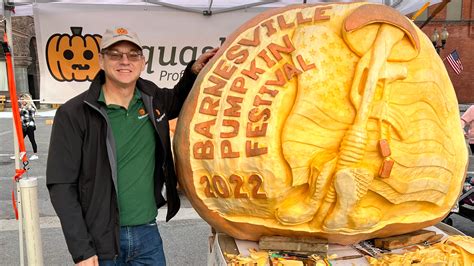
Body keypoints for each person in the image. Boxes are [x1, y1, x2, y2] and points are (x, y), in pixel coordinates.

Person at [46, 27, 217, 265]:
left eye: (133, 54)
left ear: (143, 61)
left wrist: (192, 71)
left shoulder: (151, 98)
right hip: (101, 240)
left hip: (147, 234)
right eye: (115, 54)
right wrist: (81, 250)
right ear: (101, 61)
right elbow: (61, 186)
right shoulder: (74, 113)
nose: (125, 61)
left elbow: (177, 100)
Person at [11, 93, 39, 160]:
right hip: (23, 126)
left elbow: (28, 116)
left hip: (29, 126)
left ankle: (35, 154)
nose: (21, 101)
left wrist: (19, 110)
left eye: (22, 99)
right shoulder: (22, 107)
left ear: (26, 100)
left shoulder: (30, 107)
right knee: (19, 141)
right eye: (20, 100)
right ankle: (19, 154)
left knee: (32, 140)